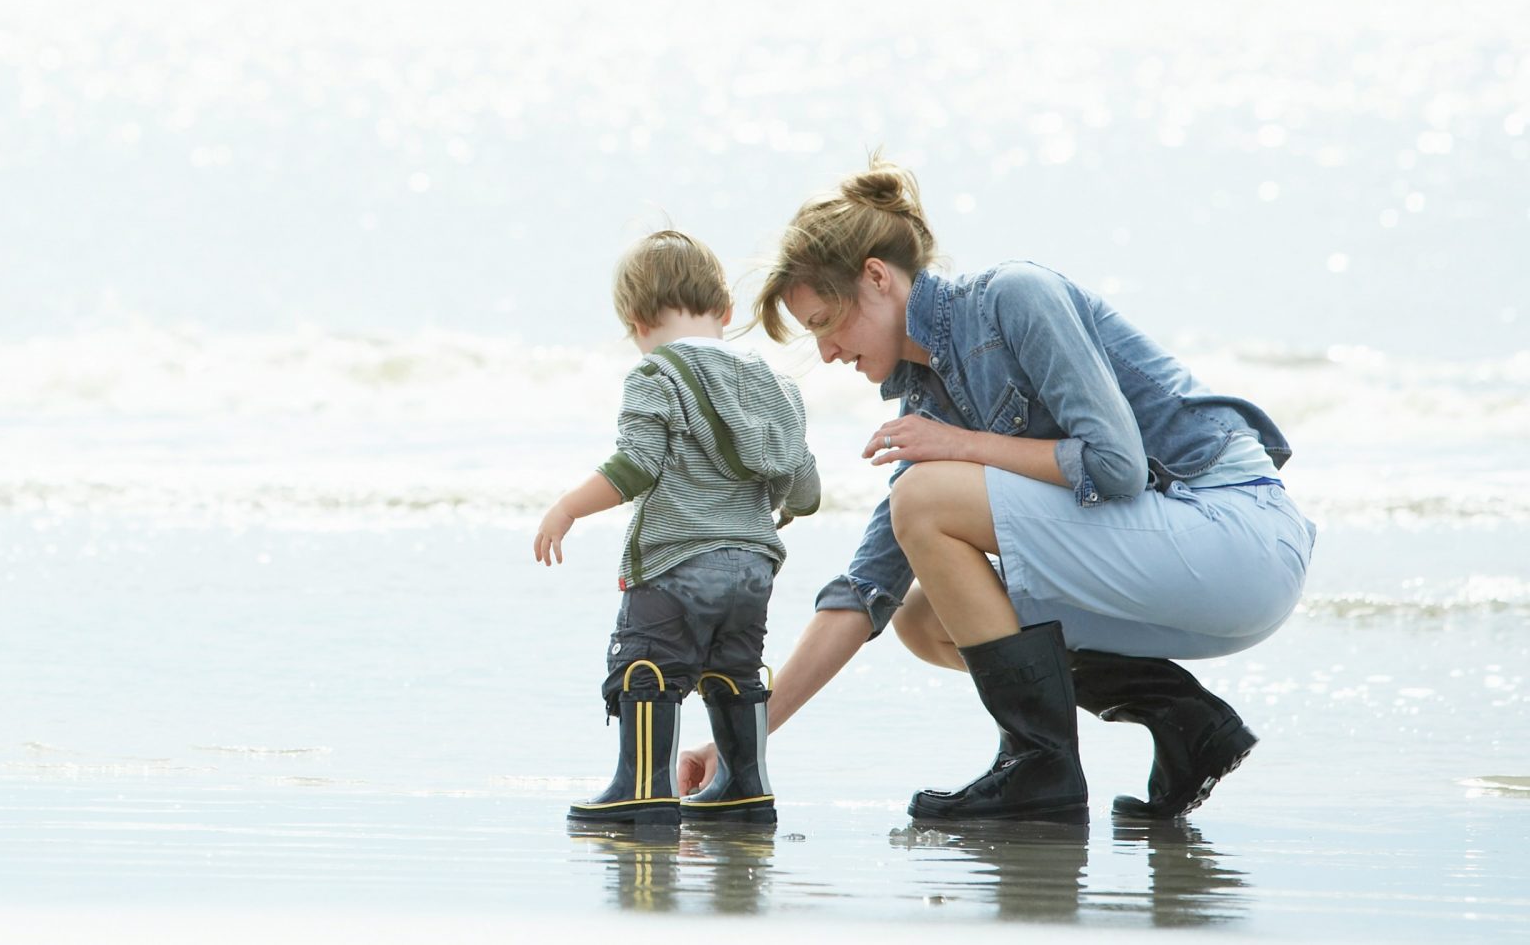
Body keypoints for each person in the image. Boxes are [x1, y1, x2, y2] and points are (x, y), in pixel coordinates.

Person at [674, 161, 1312, 825]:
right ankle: (1182, 718)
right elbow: (865, 594)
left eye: (825, 320)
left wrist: (962, 445)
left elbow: (1118, 465)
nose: (827, 350)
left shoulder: (1014, 297)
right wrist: (736, 745)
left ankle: (1040, 766)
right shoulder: (931, 406)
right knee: (923, 618)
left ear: (877, 277)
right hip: (1183, 572)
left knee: (922, 498)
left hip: (1237, 533)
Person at [536, 228, 822, 828]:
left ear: (637, 323)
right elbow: (805, 487)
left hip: (677, 561)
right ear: (725, 311)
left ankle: (644, 787)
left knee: (647, 666)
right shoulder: (776, 385)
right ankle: (744, 787)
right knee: (735, 671)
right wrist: (775, 510)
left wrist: (568, 508)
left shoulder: (655, 375)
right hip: (753, 569)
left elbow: (635, 466)